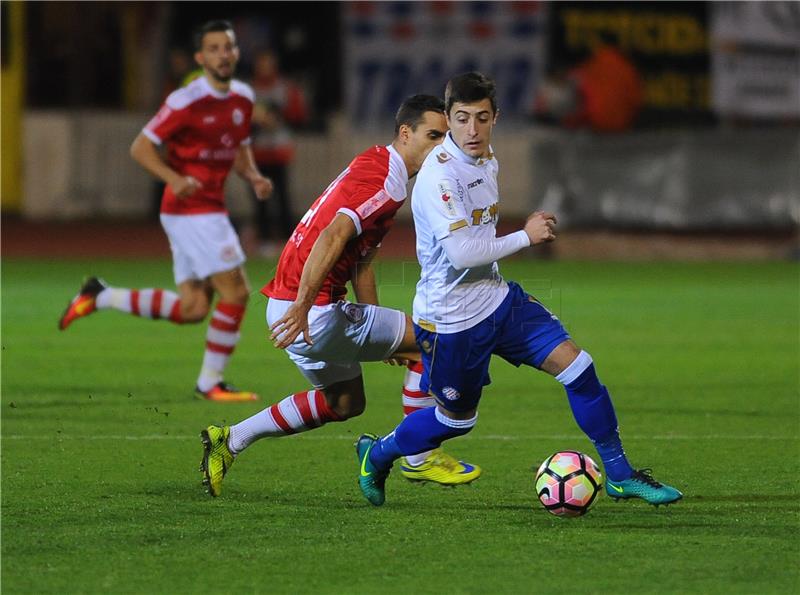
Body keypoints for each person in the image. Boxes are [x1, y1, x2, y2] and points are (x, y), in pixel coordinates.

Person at [356, 72, 682, 507]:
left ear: (495, 118)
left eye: (482, 118)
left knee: (579, 368)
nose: (472, 130)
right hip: (452, 320)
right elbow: (460, 253)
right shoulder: (439, 177)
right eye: (462, 119)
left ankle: (620, 474)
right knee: (455, 422)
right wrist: (526, 236)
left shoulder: (487, 158)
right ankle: (377, 454)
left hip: (499, 301)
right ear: (449, 119)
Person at [198, 94, 481, 497]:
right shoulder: (388, 180)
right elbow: (333, 234)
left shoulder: (377, 163)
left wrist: (377, 327)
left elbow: (362, 261)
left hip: (289, 309)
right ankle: (419, 459)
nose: (441, 147)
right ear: (405, 134)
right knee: (430, 341)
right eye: (433, 135)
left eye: (446, 138)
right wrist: (304, 304)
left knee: (344, 403)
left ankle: (232, 439)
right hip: (310, 311)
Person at [58, 20, 273, 403]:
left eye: (229, 47)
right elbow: (140, 147)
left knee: (192, 308)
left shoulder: (242, 96)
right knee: (236, 292)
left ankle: (100, 295)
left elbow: (239, 148)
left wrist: (253, 175)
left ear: (237, 52)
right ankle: (211, 383)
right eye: (215, 48)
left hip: (203, 209)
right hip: (192, 210)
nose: (224, 54)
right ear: (200, 57)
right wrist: (172, 177)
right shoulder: (186, 100)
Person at [249, 50, 309, 256]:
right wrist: (256, 121)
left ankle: (288, 240)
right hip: (257, 152)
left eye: (268, 62)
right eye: (262, 62)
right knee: (261, 198)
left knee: (283, 196)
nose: (265, 66)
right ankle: (264, 239)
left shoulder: (284, 87)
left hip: (279, 150)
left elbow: (299, 115)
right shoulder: (250, 89)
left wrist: (277, 117)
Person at [534, 41, 643, 133]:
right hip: (615, 124)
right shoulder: (614, 64)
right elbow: (636, 102)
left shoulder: (600, 64)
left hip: (600, 124)